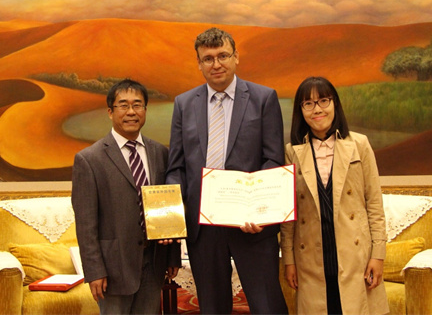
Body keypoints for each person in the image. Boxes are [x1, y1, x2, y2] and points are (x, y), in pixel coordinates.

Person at [166, 27, 288, 314]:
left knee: (267, 306)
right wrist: (170, 216)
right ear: (199, 64)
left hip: (252, 225)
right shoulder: (184, 104)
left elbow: (273, 161)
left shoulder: (263, 98)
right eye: (208, 58)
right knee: (212, 308)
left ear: (236, 57)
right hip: (203, 228)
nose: (216, 64)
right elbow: (176, 167)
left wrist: (257, 211)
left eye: (223, 55)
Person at [280, 76, 389, 315]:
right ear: (300, 111)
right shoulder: (291, 152)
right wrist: (289, 259)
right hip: (311, 256)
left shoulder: (359, 144)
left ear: (335, 104)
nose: (317, 109)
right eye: (308, 104)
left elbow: (374, 203)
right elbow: (289, 213)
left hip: (354, 253)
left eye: (323, 101)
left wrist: (378, 255)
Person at [72, 79, 181, 314]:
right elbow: (86, 224)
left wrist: (172, 256)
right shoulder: (89, 159)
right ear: (110, 112)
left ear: (145, 110)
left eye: (137, 105)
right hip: (113, 267)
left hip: (153, 263)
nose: (131, 112)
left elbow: (169, 203)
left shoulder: (160, 152)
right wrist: (94, 271)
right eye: (123, 105)